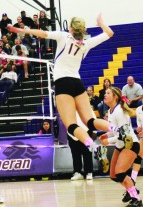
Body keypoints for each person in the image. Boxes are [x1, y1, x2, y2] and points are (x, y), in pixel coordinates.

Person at [7, 14, 131, 154]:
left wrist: (22, 31)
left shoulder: (63, 36)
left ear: (70, 28)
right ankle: (118, 129)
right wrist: (100, 23)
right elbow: (109, 33)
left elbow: (42, 33)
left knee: (71, 125)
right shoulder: (86, 43)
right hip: (77, 83)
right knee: (90, 121)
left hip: (63, 83)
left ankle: (94, 148)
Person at [99, 86, 143, 207]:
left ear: (115, 97)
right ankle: (131, 189)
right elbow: (116, 131)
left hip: (130, 144)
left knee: (120, 172)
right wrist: (106, 135)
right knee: (113, 175)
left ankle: (136, 198)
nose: (105, 95)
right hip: (121, 146)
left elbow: (124, 135)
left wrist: (108, 141)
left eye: (108, 93)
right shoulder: (110, 111)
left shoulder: (120, 111)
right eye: (105, 93)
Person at [68, 112, 96, 181]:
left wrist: (94, 132)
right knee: (75, 154)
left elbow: (93, 119)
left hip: (86, 132)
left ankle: (89, 172)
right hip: (72, 134)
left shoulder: (85, 107)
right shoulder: (68, 108)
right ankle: (77, 172)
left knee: (87, 152)